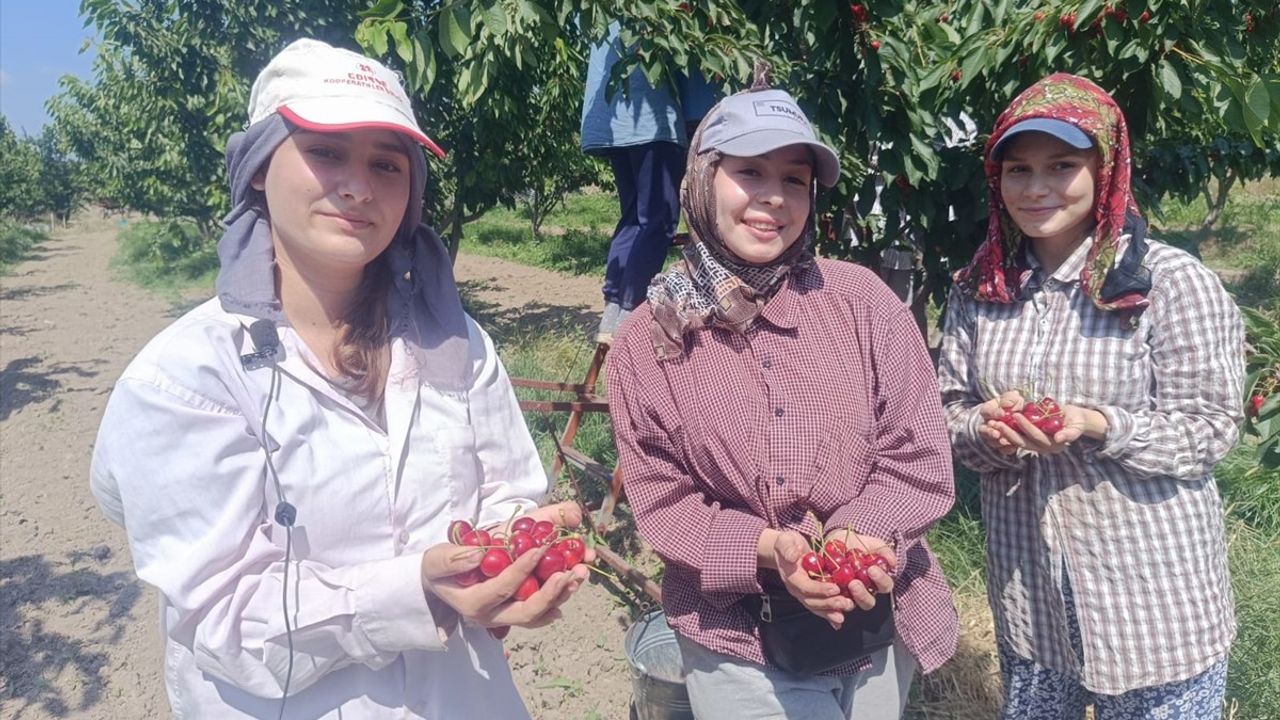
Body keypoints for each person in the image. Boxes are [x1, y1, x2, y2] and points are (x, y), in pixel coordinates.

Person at [89, 39, 590, 719]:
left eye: (386, 164)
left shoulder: (454, 341)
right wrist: (416, 590)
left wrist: (521, 550)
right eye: (326, 152)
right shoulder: (187, 377)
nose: (358, 186)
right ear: (261, 168)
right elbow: (223, 618)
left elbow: (507, 499)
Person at [606, 74, 959, 720]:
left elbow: (918, 456)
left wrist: (853, 540)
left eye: (795, 179)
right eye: (750, 172)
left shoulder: (864, 307)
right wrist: (769, 551)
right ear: (702, 180)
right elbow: (664, 502)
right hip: (736, 634)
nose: (774, 198)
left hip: (870, 619)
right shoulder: (650, 342)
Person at [937, 73, 1243, 719]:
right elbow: (948, 409)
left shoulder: (1167, 282)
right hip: (1032, 599)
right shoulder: (980, 288)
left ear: (1104, 169)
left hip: (1153, 599)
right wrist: (981, 429)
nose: (1037, 187)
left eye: (1063, 165)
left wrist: (1100, 424)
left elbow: (1211, 427)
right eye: (1017, 169)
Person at [580, 20, 717, 343]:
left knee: (633, 217)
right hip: (654, 123)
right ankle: (630, 312)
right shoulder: (660, 13)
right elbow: (691, 66)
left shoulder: (614, 16)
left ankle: (612, 310)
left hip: (616, 125)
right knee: (658, 219)